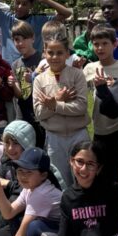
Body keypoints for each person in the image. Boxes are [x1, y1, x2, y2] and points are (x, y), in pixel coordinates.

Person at [33, 30, 89, 187]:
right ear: (44, 53)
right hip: (54, 138)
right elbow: (39, 113)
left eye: (59, 53)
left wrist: (55, 105)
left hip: (79, 135)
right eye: (50, 52)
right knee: (60, 181)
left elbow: (81, 107)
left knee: (83, 177)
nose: (55, 57)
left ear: (67, 54)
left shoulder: (77, 75)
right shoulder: (39, 80)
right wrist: (58, 99)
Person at [82, 25, 118, 179]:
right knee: (100, 172)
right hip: (97, 129)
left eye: (105, 43)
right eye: (96, 44)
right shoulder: (89, 68)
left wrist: (115, 87)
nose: (100, 48)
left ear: (115, 44)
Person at [0, 0, 72, 65]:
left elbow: (67, 13)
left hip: (33, 67)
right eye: (17, 2)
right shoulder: (6, 18)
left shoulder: (38, 20)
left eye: (24, 4)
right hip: (9, 68)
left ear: (31, 5)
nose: (20, 7)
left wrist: (45, 0)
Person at [8, 21, 46, 147]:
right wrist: (14, 84)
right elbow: (21, 95)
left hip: (42, 116)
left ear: (33, 38)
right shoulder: (16, 64)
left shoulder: (43, 60)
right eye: (17, 40)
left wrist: (34, 79)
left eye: (24, 39)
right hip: (23, 116)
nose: (20, 43)